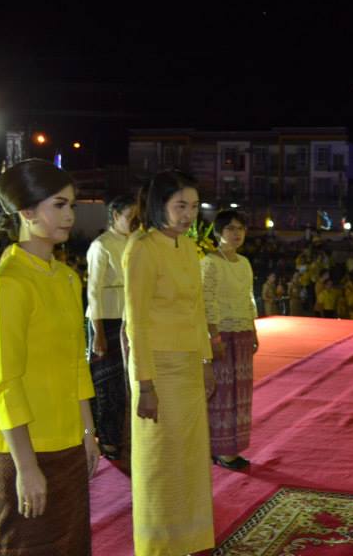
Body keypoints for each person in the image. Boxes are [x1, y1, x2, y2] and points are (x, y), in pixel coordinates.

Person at [0, 159, 99, 554]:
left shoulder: (66, 278)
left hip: (66, 439)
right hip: (21, 447)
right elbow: (4, 382)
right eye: (59, 205)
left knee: (70, 545)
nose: (70, 215)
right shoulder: (9, 283)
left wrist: (87, 431)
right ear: (26, 212)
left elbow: (76, 363)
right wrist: (26, 467)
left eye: (72, 206)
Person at [124, 170, 215, 555]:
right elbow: (135, 322)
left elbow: (197, 310)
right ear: (159, 204)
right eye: (180, 206)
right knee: (160, 463)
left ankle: (189, 541)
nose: (188, 215)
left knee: (190, 460)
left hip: (190, 367)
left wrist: (207, 358)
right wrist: (145, 384)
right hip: (157, 370)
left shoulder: (187, 248)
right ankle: (158, 546)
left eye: (193, 207)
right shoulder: (142, 249)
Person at [201, 210, 259, 471]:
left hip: (243, 332)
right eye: (230, 229)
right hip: (221, 333)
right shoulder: (210, 262)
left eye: (240, 229)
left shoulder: (244, 262)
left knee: (241, 391)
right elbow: (207, 301)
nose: (236, 234)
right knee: (222, 392)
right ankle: (219, 448)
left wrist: (253, 329)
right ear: (217, 233)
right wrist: (213, 336)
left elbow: (249, 298)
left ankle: (234, 445)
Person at [85, 194, 135, 462]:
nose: (135, 223)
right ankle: (106, 438)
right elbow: (93, 292)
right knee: (107, 384)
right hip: (106, 320)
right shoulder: (101, 246)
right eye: (131, 217)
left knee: (129, 382)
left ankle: (124, 435)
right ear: (115, 216)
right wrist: (99, 333)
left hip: (130, 321)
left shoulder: (136, 243)